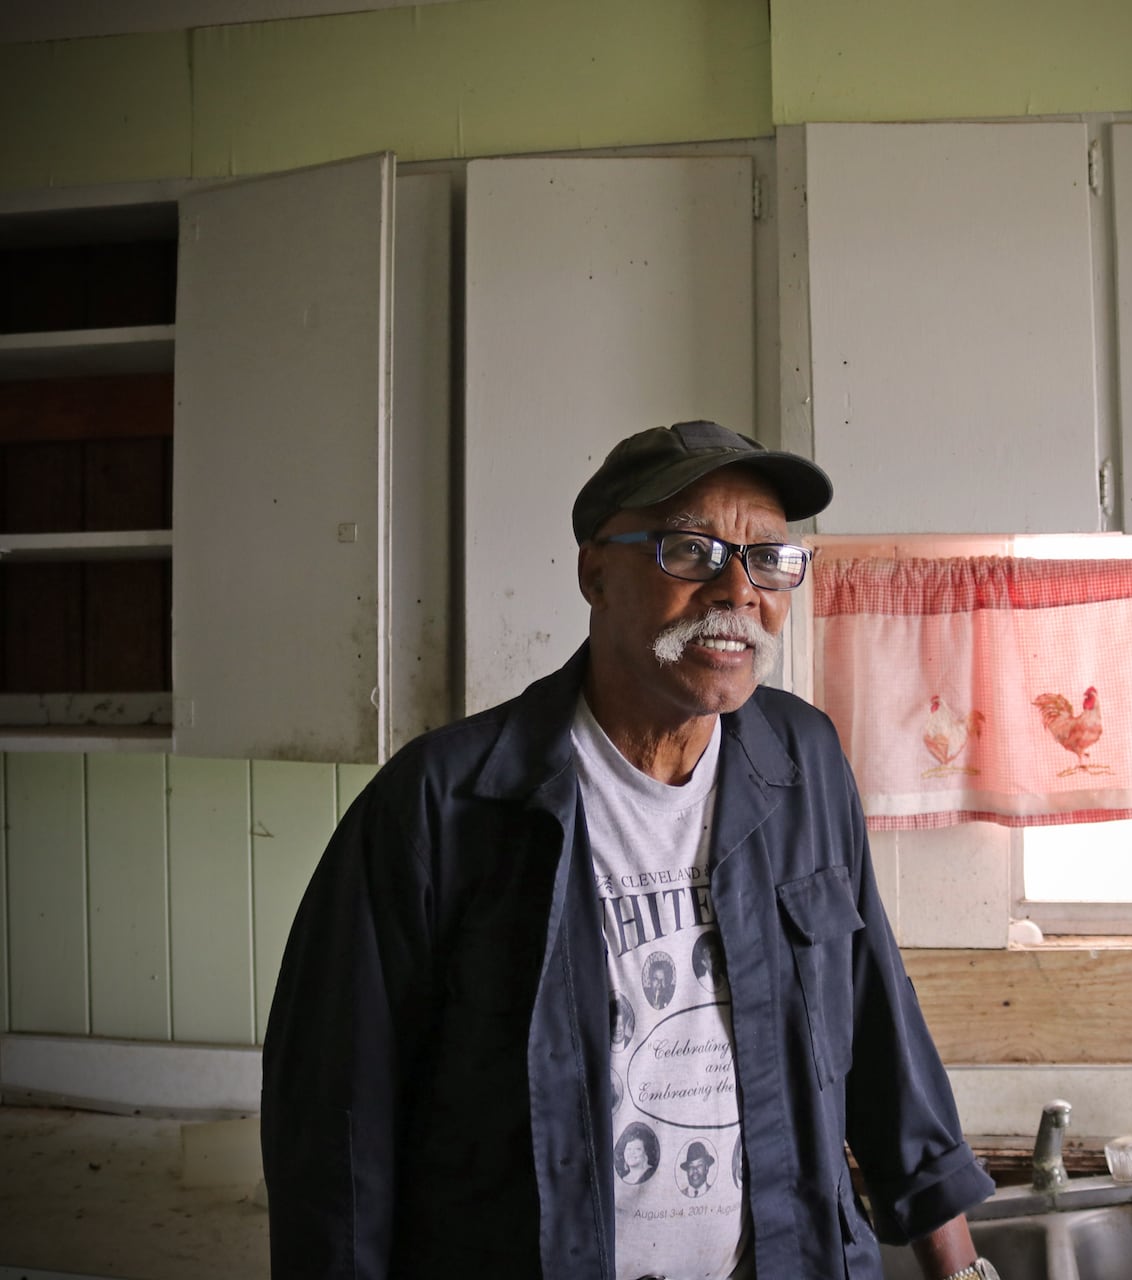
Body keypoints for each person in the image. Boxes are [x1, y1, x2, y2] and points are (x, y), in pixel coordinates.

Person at [260, 420, 1000, 1279]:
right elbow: (338, 1134)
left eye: (768, 558)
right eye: (691, 550)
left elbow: (878, 1025)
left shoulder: (803, 761)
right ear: (595, 572)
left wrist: (961, 1271)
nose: (737, 590)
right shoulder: (445, 803)